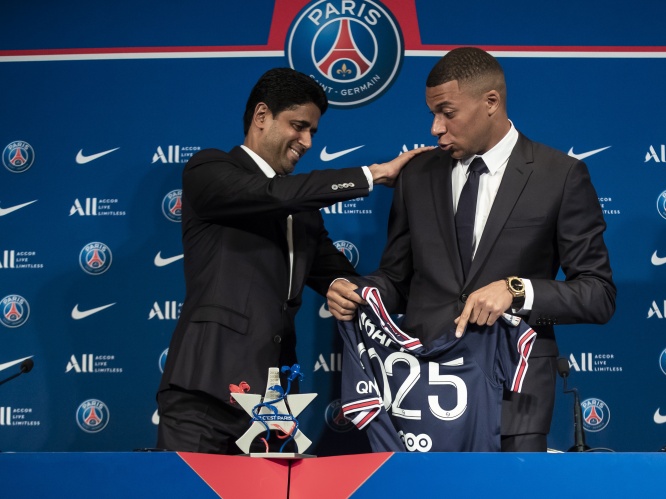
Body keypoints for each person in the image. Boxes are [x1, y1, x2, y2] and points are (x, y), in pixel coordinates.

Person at [327, 47, 616, 452]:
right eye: (432, 113)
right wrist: (361, 292)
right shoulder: (417, 175)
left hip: (513, 397)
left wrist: (517, 290)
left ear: (491, 102)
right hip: (424, 392)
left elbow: (598, 294)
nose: (435, 128)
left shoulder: (560, 175)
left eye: (447, 113)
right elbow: (397, 278)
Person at [156, 67, 431, 454]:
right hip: (205, 391)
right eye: (298, 126)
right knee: (189, 487)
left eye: (313, 132)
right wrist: (372, 175)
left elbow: (338, 275)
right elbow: (272, 194)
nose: (307, 142)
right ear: (262, 116)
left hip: (274, 401)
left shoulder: (304, 212)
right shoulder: (209, 170)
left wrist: (353, 289)